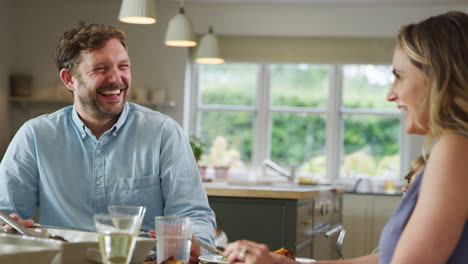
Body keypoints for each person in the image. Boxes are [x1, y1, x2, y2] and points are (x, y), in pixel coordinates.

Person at [222, 10, 468, 264]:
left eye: (398, 76)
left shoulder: (454, 149)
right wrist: (284, 263)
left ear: (437, 77)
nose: (390, 94)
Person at [0, 24, 216, 263]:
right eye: (101, 69)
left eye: (123, 66)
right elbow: (6, 214)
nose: (116, 78)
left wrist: (193, 242)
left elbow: (192, 214)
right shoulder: (34, 137)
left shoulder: (164, 133)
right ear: (69, 79)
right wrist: (9, 230)